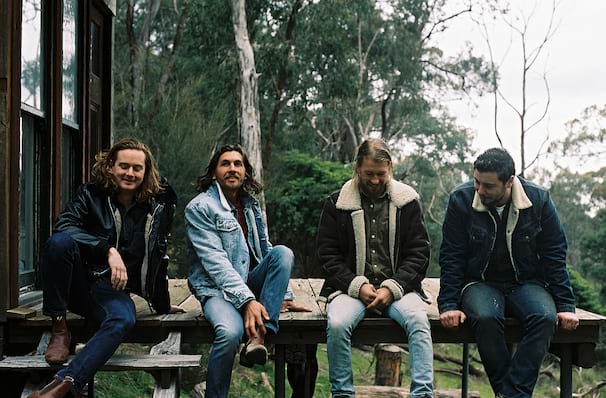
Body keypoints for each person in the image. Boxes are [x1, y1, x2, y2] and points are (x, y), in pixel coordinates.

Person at [29, 138, 181, 398]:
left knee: (124, 319)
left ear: (146, 172)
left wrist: (162, 304)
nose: (130, 173)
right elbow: (65, 226)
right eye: (124, 166)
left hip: (111, 290)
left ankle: (61, 386)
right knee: (58, 242)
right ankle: (59, 327)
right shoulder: (91, 194)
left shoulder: (158, 206)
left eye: (137, 168)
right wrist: (107, 250)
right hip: (77, 281)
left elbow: (158, 255)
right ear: (110, 166)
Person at [438, 147, 579, 398]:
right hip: (479, 282)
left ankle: (510, 394)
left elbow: (554, 254)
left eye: (489, 186)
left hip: (525, 282)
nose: (480, 191)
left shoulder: (539, 200)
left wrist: (566, 305)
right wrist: (448, 304)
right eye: (477, 182)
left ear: (510, 182)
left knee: (545, 318)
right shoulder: (461, 199)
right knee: (485, 317)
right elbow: (452, 256)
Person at [185, 144, 309, 398]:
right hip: (216, 289)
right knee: (230, 333)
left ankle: (259, 339)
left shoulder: (249, 204)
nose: (232, 169)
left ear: (245, 172)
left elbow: (265, 249)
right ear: (213, 173)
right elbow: (215, 262)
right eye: (225, 164)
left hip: (248, 283)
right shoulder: (200, 208)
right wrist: (249, 301)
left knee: (282, 252)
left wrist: (283, 294)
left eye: (237, 164)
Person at [317, 138, 434, 398]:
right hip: (349, 290)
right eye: (369, 173)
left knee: (418, 321)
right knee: (337, 324)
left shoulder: (408, 202)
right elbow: (327, 255)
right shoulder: (336, 203)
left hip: (399, 289)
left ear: (390, 168)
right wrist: (357, 286)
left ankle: (423, 394)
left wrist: (393, 288)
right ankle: (342, 394)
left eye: (380, 174)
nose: (374, 180)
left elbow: (419, 253)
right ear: (358, 168)